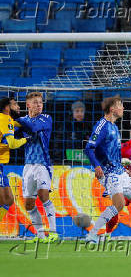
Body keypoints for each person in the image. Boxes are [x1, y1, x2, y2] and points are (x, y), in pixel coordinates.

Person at [84, 96, 131, 243]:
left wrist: (122, 163)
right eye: (120, 105)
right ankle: (92, 234)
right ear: (112, 109)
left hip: (119, 170)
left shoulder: (114, 127)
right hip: (108, 172)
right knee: (119, 205)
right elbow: (89, 148)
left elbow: (110, 150)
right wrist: (97, 166)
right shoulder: (102, 125)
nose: (123, 108)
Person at [16, 92, 58, 243]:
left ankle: (53, 232)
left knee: (43, 195)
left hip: (43, 164)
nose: (39, 105)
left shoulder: (46, 118)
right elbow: (14, 136)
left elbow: (34, 128)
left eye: (40, 102)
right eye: (35, 102)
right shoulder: (23, 120)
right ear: (28, 105)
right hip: (28, 165)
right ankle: (40, 235)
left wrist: (16, 119)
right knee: (28, 204)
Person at [0, 97, 28, 222]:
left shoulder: (7, 119)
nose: (18, 106)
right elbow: (12, 144)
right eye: (15, 104)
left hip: (1, 165)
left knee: (9, 200)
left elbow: (18, 124)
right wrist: (27, 139)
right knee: (4, 200)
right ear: (7, 107)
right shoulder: (5, 120)